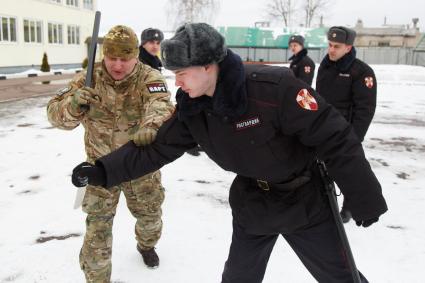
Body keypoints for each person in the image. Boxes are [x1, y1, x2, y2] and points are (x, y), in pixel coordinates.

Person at [71, 23, 387, 283]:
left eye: (182, 72)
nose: (177, 81)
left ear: (209, 66)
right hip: (253, 204)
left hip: (304, 202)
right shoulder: (192, 107)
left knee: (341, 278)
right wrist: (101, 170)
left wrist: (363, 195)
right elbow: (156, 148)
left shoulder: (274, 89)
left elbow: (335, 137)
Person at [47, 25, 174, 282]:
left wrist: (151, 126)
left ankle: (146, 245)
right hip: (99, 169)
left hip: (139, 166)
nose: (117, 65)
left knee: (150, 219)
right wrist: (73, 106)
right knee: (97, 231)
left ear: (135, 56)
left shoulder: (148, 77)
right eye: (112, 57)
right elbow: (55, 115)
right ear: (103, 54)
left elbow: (161, 105)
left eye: (125, 58)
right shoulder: (87, 79)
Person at [316, 26, 377, 224]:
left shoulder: (362, 72)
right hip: (323, 130)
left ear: (348, 48)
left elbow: (365, 110)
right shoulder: (325, 67)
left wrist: (354, 138)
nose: (331, 50)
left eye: (337, 46)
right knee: (321, 171)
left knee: (350, 173)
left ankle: (350, 208)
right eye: (329, 45)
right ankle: (325, 206)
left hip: (346, 133)